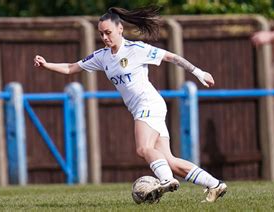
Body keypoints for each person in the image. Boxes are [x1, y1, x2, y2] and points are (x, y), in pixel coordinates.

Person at [33, 6, 227, 203]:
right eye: (101, 34)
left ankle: (166, 179)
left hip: (148, 103)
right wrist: (47, 64)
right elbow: (71, 67)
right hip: (146, 107)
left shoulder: (136, 49)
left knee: (143, 148)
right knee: (169, 160)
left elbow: (171, 56)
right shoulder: (102, 56)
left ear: (120, 29)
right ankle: (215, 185)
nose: (105, 37)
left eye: (108, 32)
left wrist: (199, 73)